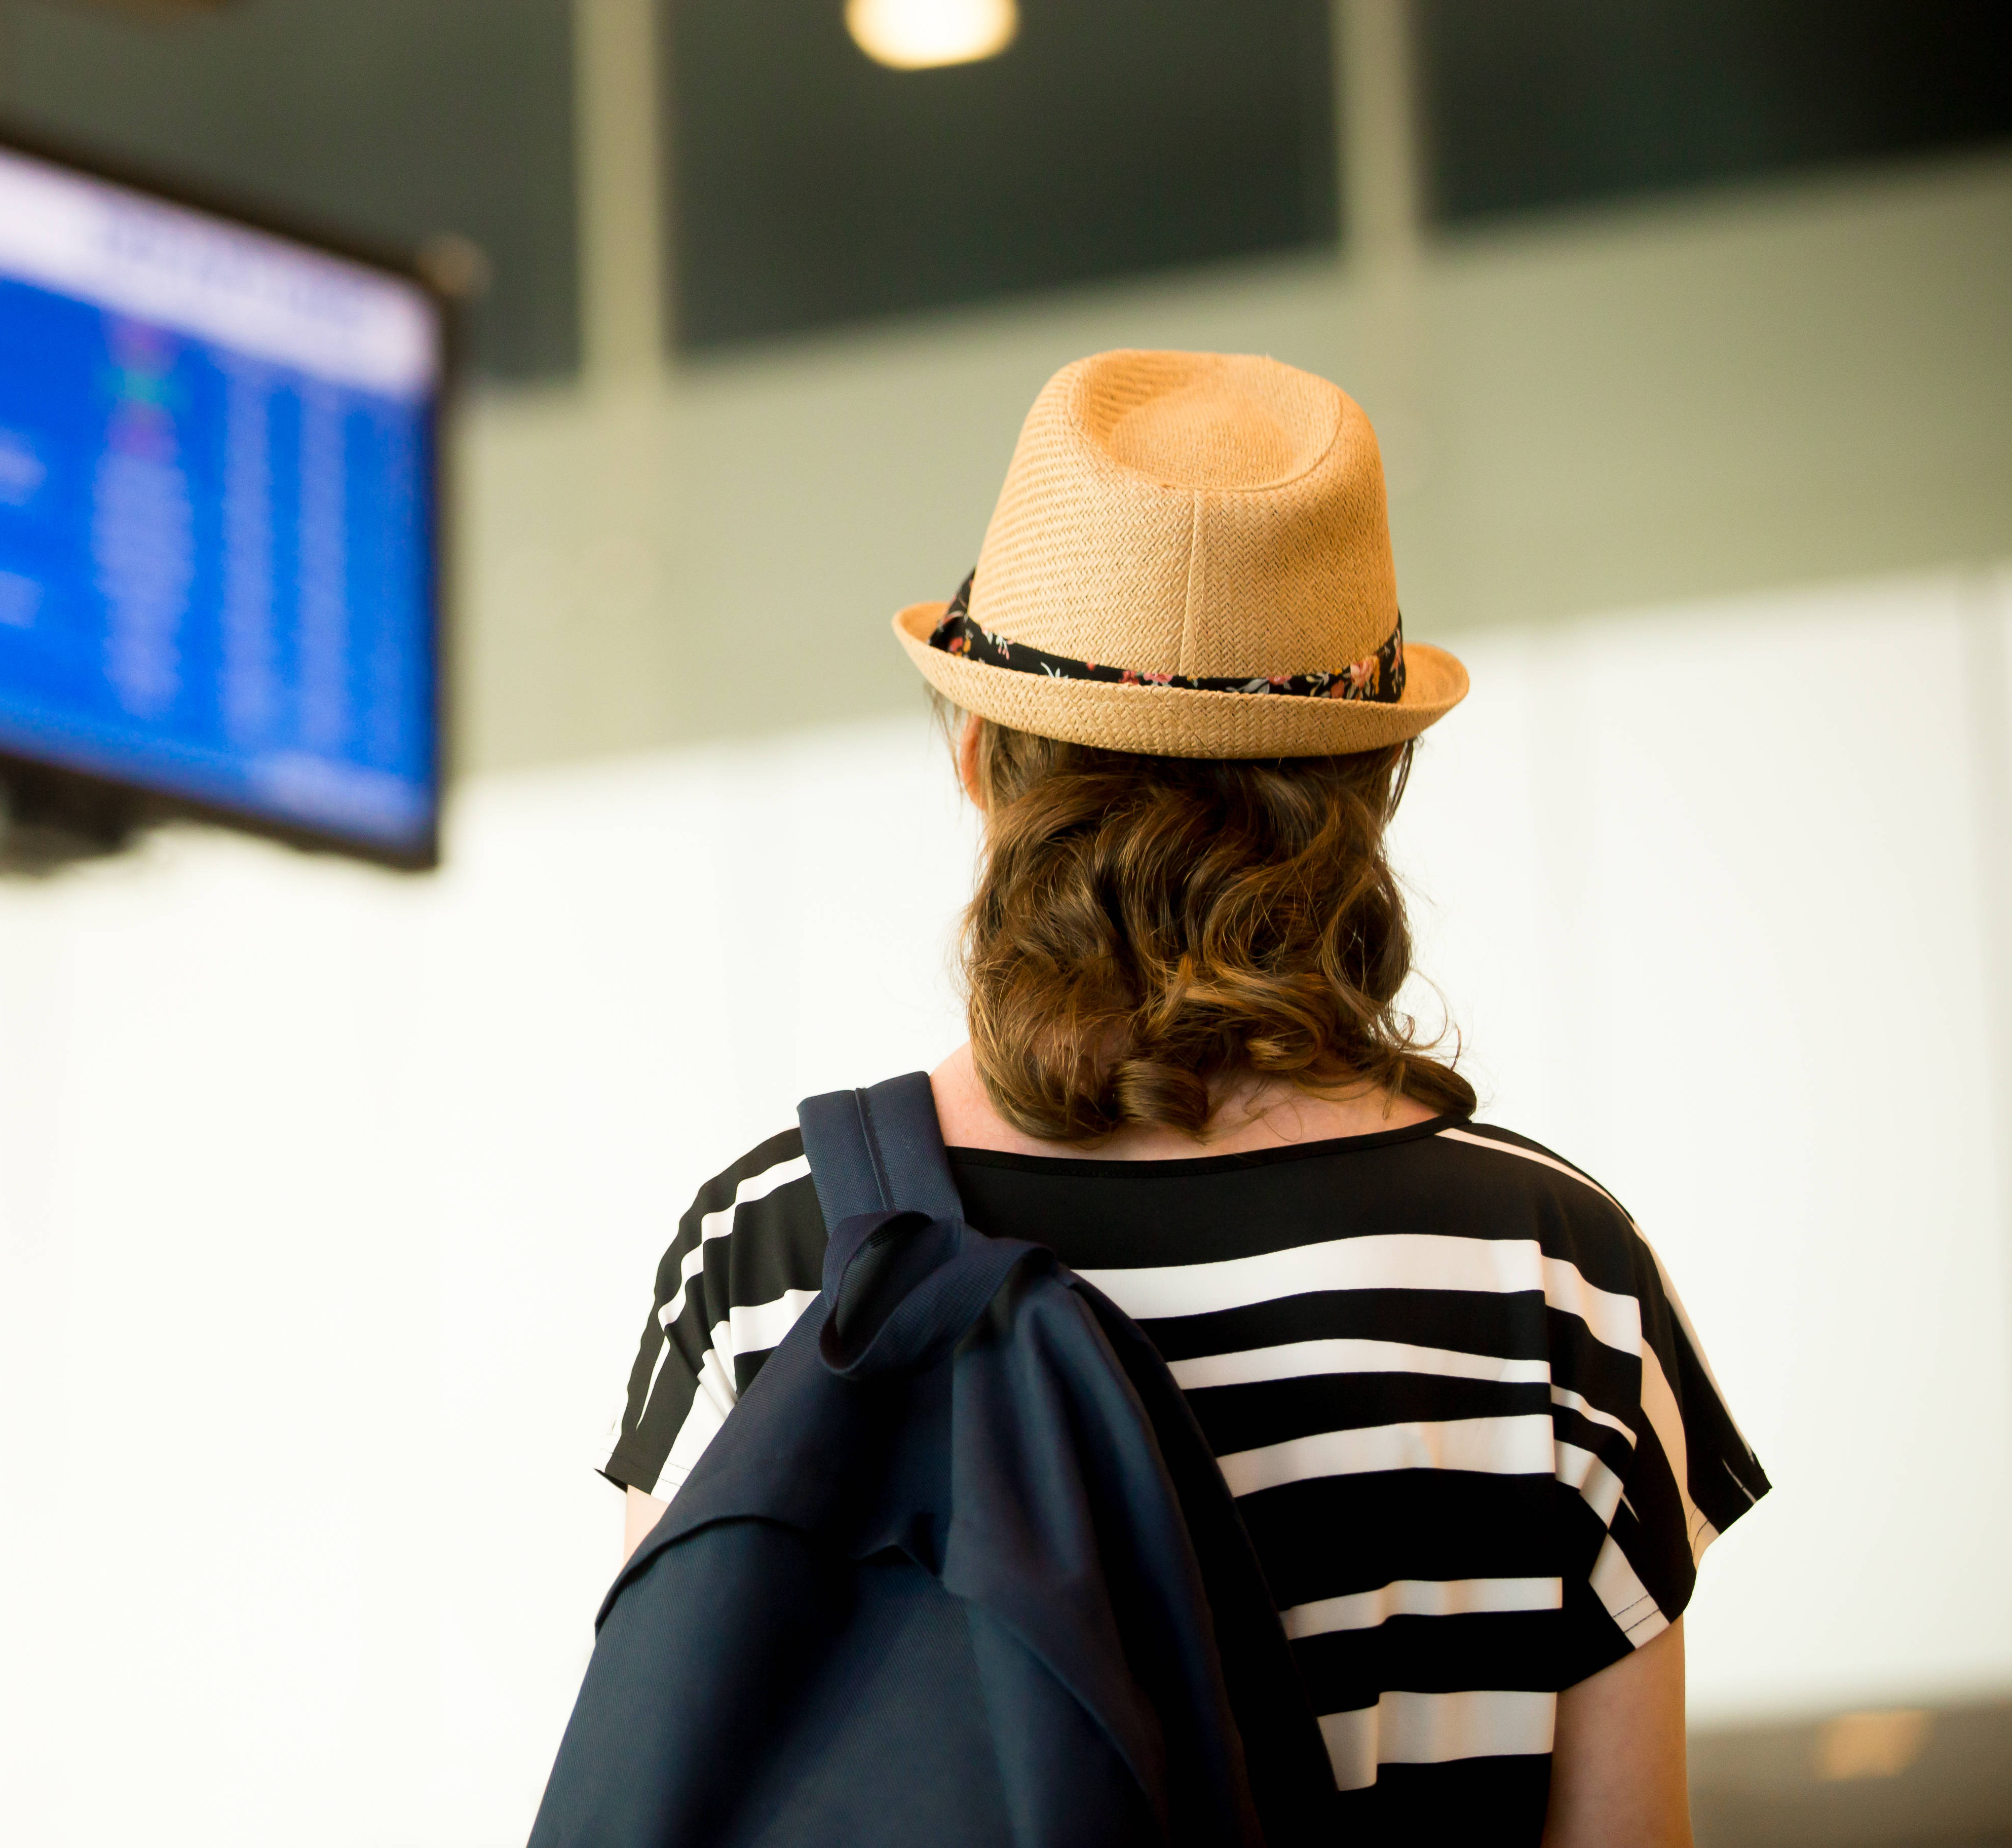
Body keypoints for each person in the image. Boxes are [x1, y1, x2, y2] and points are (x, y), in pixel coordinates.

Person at [596, 351, 1764, 1847]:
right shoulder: (1557, 1282)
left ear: (980, 762)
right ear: (1373, 782)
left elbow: (669, 1771)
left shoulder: (782, 1252)